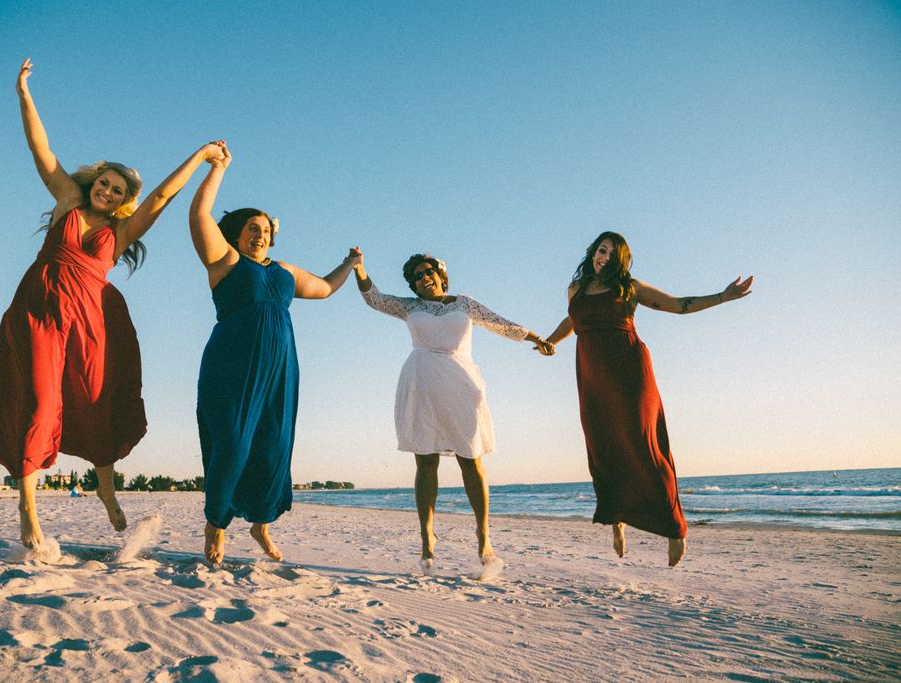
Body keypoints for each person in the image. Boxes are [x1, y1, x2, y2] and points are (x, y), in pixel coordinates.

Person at [0, 58, 225, 547]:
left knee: (97, 403)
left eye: (118, 190)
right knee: (41, 402)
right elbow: (40, 149)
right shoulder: (67, 201)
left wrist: (200, 154)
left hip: (89, 319)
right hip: (39, 310)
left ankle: (105, 490)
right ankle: (28, 510)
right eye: (104, 182)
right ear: (93, 182)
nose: (107, 191)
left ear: (125, 200)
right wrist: (23, 93)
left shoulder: (121, 231)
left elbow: (164, 195)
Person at [188, 141, 361, 565]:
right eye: (252, 227)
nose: (260, 233)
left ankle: (261, 525)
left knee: (273, 447)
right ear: (237, 234)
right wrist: (217, 169)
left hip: (280, 369)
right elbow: (198, 216)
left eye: (266, 229)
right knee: (231, 443)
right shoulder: (224, 261)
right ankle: (216, 523)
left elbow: (322, 287)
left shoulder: (284, 272)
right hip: (232, 366)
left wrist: (350, 263)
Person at [546, 231, 752, 567]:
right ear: (593, 252)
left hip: (630, 374)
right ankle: (617, 521)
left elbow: (678, 305)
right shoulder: (576, 289)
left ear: (621, 261)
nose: (604, 258)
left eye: (612, 255)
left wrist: (723, 297)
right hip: (593, 379)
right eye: (601, 251)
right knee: (604, 447)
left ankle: (674, 528)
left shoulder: (630, 287)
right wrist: (551, 341)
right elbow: (574, 318)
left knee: (646, 446)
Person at [353, 252, 554, 573]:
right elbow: (375, 299)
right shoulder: (410, 307)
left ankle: (484, 535)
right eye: (416, 277)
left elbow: (499, 323)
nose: (423, 279)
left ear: (440, 275)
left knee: (471, 459)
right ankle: (426, 538)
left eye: (427, 272)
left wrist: (537, 338)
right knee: (426, 460)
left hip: (462, 382)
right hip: (421, 382)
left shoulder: (465, 303)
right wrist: (359, 268)